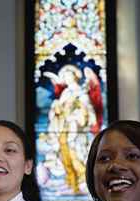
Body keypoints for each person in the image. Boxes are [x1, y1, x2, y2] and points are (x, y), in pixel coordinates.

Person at [44, 65, 103, 194]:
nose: (67, 78)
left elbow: (88, 110)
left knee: (77, 154)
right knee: (64, 155)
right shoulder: (65, 93)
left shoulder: (81, 92)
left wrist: (78, 116)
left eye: (69, 75)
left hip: (76, 130)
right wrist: (56, 109)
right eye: (65, 76)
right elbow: (58, 110)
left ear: (75, 76)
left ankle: (84, 181)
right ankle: (71, 182)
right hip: (63, 129)